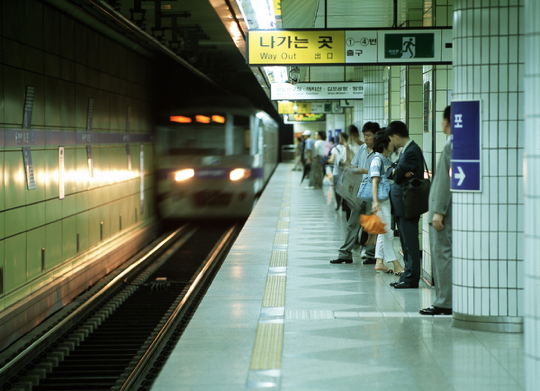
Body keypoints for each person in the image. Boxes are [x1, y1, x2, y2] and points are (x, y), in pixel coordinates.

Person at [330, 122, 380, 264]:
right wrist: (349, 167)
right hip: (360, 191)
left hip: (373, 193)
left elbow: (381, 172)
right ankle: (345, 253)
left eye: (369, 135)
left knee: (370, 224)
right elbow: (355, 164)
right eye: (365, 135)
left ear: (376, 136)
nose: (366, 138)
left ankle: (371, 255)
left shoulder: (380, 151)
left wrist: (362, 171)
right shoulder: (363, 149)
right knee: (352, 223)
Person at [420, 106, 453, 315]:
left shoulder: (453, 145)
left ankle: (444, 301)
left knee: (442, 254)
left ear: (447, 121)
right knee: (442, 255)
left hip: (443, 213)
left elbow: (446, 182)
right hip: (442, 210)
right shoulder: (454, 144)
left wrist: (439, 211)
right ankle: (444, 299)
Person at [386, 121, 425, 288]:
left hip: (407, 203)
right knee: (405, 242)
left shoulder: (411, 150)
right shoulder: (406, 151)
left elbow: (397, 173)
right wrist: (396, 171)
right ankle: (407, 276)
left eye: (391, 139)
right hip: (402, 203)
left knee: (410, 242)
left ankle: (411, 278)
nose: (391, 143)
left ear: (395, 136)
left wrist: (397, 172)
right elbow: (391, 171)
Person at [370, 131, 405, 275]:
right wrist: (375, 202)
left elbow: (390, 173)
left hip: (384, 200)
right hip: (380, 201)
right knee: (388, 232)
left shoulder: (385, 159)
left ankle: (379, 262)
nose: (393, 144)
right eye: (391, 141)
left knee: (383, 232)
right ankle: (395, 264)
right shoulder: (377, 160)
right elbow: (374, 181)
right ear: (385, 143)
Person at [327, 132, 350, 210]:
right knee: (345, 189)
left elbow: (332, 160)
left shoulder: (335, 148)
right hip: (347, 173)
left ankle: (338, 204)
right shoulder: (349, 147)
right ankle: (344, 205)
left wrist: (327, 160)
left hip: (337, 173)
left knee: (337, 189)